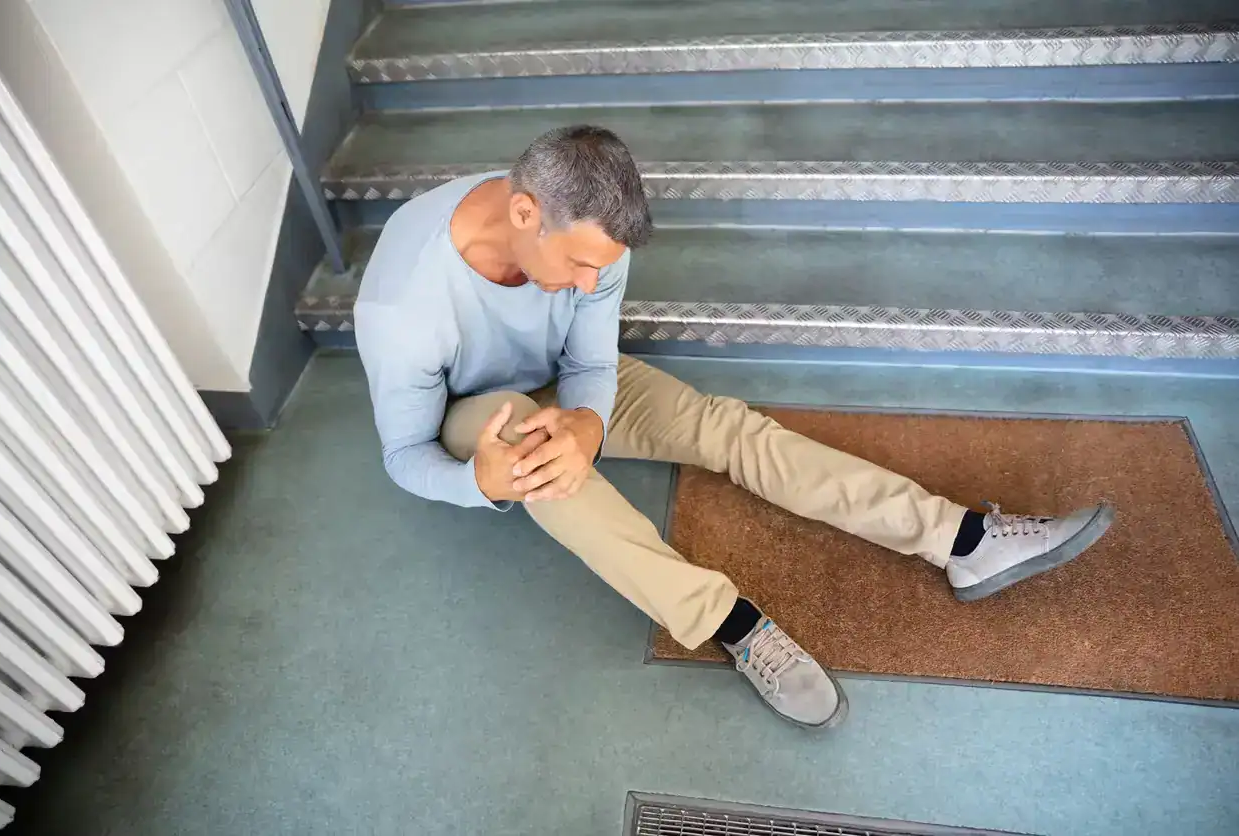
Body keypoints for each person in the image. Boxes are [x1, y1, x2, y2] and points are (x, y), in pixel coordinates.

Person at [354, 125, 1115, 729]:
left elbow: (590, 359)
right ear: (526, 214)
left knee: (724, 430)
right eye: (581, 266)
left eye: (603, 269)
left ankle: (961, 540)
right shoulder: (404, 307)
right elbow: (403, 454)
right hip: (477, 419)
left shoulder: (596, 244)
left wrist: (588, 419)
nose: (593, 283)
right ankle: (733, 622)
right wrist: (478, 484)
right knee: (535, 461)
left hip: (559, 383)